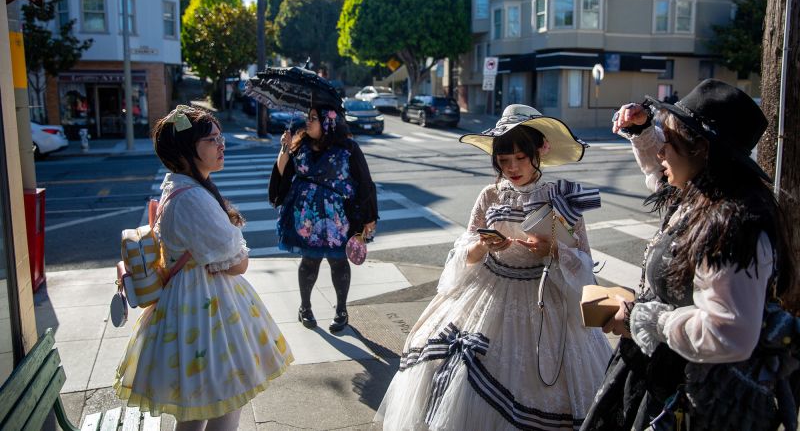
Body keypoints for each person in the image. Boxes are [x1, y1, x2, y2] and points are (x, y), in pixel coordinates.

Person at [375, 104, 612, 430]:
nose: (512, 167)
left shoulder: (563, 197)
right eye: (503, 160)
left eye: (520, 158)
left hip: (544, 299)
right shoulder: (489, 195)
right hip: (487, 292)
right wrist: (483, 245)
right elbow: (465, 253)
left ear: (539, 151)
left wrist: (552, 249)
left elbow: (585, 264)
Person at [581, 79, 798, 430]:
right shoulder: (699, 194)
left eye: (669, 142)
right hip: (663, 375)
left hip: (694, 399)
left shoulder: (732, 225)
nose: (661, 151)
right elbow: (658, 173)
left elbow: (728, 333)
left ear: (702, 150)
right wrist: (642, 131)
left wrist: (646, 321)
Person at [115, 105, 293, 430]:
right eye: (212, 140)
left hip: (191, 308)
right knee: (225, 401)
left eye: (219, 137)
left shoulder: (179, 188)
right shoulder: (192, 199)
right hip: (205, 313)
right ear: (186, 150)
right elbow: (239, 263)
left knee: (198, 408)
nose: (221, 144)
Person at [268, 105, 378, 333]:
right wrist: (285, 149)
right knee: (309, 261)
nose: (307, 122)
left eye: (313, 118)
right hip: (306, 218)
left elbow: (365, 182)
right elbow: (283, 174)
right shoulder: (300, 143)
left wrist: (369, 217)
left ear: (328, 122)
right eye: (307, 118)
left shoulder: (348, 148)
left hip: (338, 218)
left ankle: (341, 310)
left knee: (339, 261)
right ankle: (305, 308)